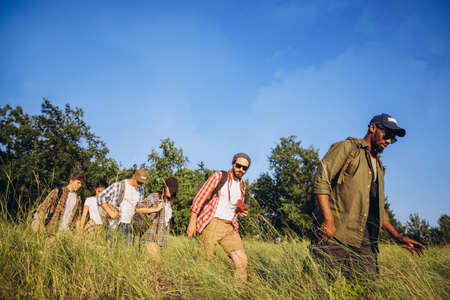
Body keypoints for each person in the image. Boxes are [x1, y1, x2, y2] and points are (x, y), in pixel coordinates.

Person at [310, 113, 425, 280]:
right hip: (335, 234)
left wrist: (397, 236)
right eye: (387, 135)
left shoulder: (378, 166)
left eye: (393, 139)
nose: (388, 141)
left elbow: (378, 210)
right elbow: (321, 178)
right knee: (316, 286)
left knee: (369, 289)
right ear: (372, 128)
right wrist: (328, 219)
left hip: (364, 240)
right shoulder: (347, 148)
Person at [187, 153, 250, 282]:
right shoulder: (219, 177)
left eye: (245, 168)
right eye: (239, 166)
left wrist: (241, 211)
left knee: (242, 261)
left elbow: (235, 206)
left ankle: (239, 293)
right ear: (233, 164)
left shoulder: (242, 185)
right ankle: (197, 290)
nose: (241, 170)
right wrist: (192, 222)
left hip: (230, 227)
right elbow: (200, 198)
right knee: (203, 262)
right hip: (212, 223)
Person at [97, 169, 149, 245]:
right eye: (139, 182)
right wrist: (110, 212)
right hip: (115, 224)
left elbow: (138, 207)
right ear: (134, 176)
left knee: (126, 251)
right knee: (111, 249)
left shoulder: (141, 189)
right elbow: (100, 197)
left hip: (130, 225)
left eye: (142, 183)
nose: (140, 185)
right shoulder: (119, 185)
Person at [135, 177, 178, 258]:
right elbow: (138, 209)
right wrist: (156, 209)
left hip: (161, 238)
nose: (171, 191)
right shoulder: (155, 196)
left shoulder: (169, 202)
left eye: (173, 190)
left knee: (155, 265)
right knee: (155, 261)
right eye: (170, 188)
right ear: (165, 187)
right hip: (150, 235)